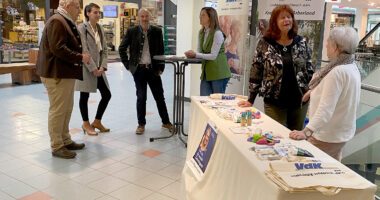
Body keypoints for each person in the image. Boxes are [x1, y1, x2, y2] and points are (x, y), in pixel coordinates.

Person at [289, 27, 361, 161]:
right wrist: (312, 92)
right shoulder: (350, 65)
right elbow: (338, 93)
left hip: (326, 136)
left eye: (329, 41)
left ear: (336, 47)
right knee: (333, 167)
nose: (326, 44)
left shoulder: (336, 72)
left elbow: (325, 109)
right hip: (340, 133)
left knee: (310, 168)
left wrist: (306, 132)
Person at [238, 5, 314, 131]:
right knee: (276, 137)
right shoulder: (265, 43)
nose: (286, 20)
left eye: (289, 17)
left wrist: (311, 90)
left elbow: (309, 68)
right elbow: (256, 71)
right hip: (274, 102)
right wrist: (251, 99)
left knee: (296, 138)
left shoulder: (301, 42)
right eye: (282, 18)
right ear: (274, 22)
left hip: (299, 101)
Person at [36, 0, 90, 159]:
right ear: (67, 6)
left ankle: (65, 139)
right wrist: (80, 57)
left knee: (66, 108)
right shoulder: (57, 21)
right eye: (77, 7)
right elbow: (58, 48)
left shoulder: (63, 20)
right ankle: (57, 145)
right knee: (58, 110)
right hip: (56, 74)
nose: (79, 11)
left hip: (63, 73)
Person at [119, 8, 173, 135]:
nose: (144, 19)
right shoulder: (132, 31)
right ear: (139, 17)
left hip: (153, 70)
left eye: (146, 16)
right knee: (141, 97)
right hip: (139, 70)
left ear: (150, 17)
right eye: (142, 16)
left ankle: (166, 122)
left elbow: (161, 50)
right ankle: (141, 124)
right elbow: (122, 48)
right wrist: (128, 65)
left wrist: (161, 67)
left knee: (159, 97)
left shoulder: (157, 31)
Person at [76, 3, 111, 136]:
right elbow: (84, 50)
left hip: (99, 68)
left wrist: (102, 66)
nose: (98, 14)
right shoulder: (81, 28)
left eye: (99, 12)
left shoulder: (100, 28)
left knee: (107, 95)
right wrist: (93, 68)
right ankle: (86, 123)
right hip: (87, 68)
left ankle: (97, 121)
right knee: (84, 95)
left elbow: (105, 50)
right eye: (95, 12)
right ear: (88, 13)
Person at [185, 7, 231, 96]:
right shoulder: (201, 32)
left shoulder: (217, 33)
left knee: (217, 103)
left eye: (203, 15)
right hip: (207, 72)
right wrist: (193, 55)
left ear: (210, 17)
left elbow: (213, 56)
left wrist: (196, 54)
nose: (200, 17)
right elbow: (200, 51)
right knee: (204, 101)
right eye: (200, 15)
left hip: (219, 73)